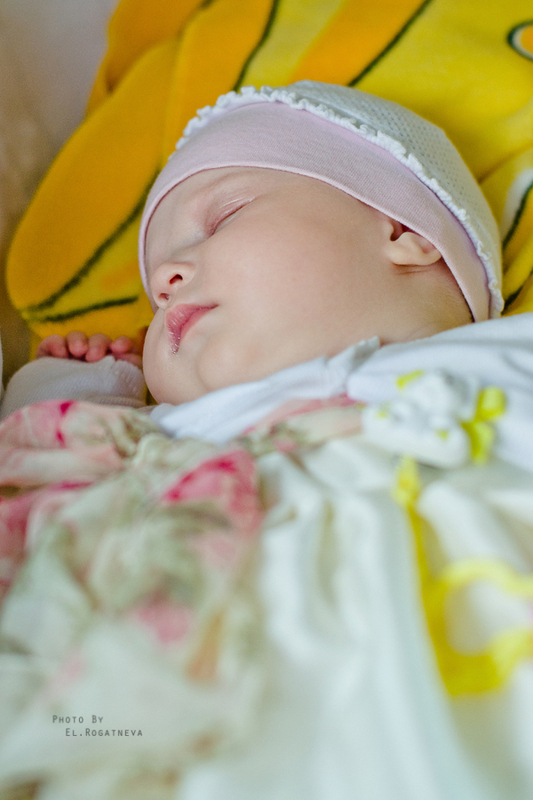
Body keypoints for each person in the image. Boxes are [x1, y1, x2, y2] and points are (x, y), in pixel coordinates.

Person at [2, 81, 533, 799]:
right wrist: (68, 396)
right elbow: (37, 542)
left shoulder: (505, 357)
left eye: (222, 218)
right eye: (155, 296)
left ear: (401, 232)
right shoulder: (166, 443)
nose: (165, 280)